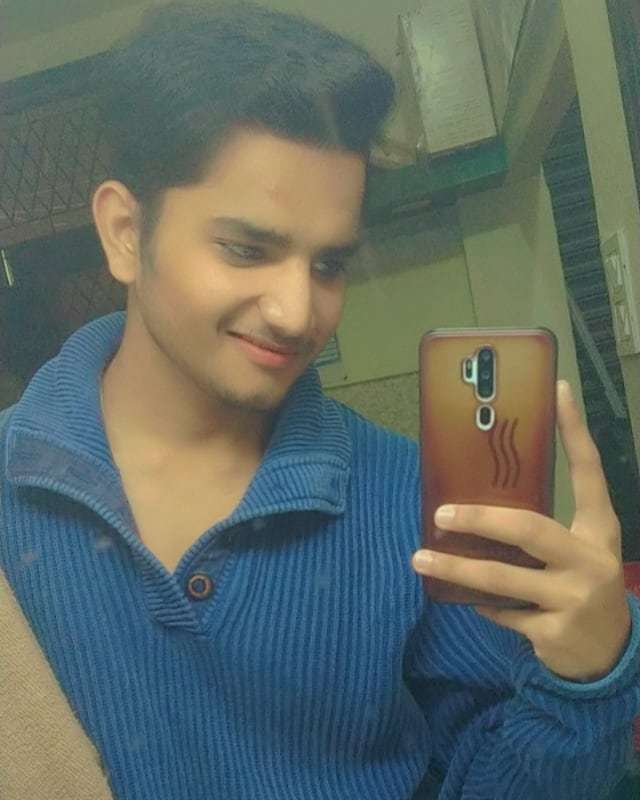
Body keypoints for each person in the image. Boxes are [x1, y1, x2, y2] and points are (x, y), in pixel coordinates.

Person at [0, 3, 638, 799]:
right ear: (126, 232)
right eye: (247, 249)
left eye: (329, 264)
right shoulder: (11, 492)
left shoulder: (409, 502)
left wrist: (587, 675)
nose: (297, 312)